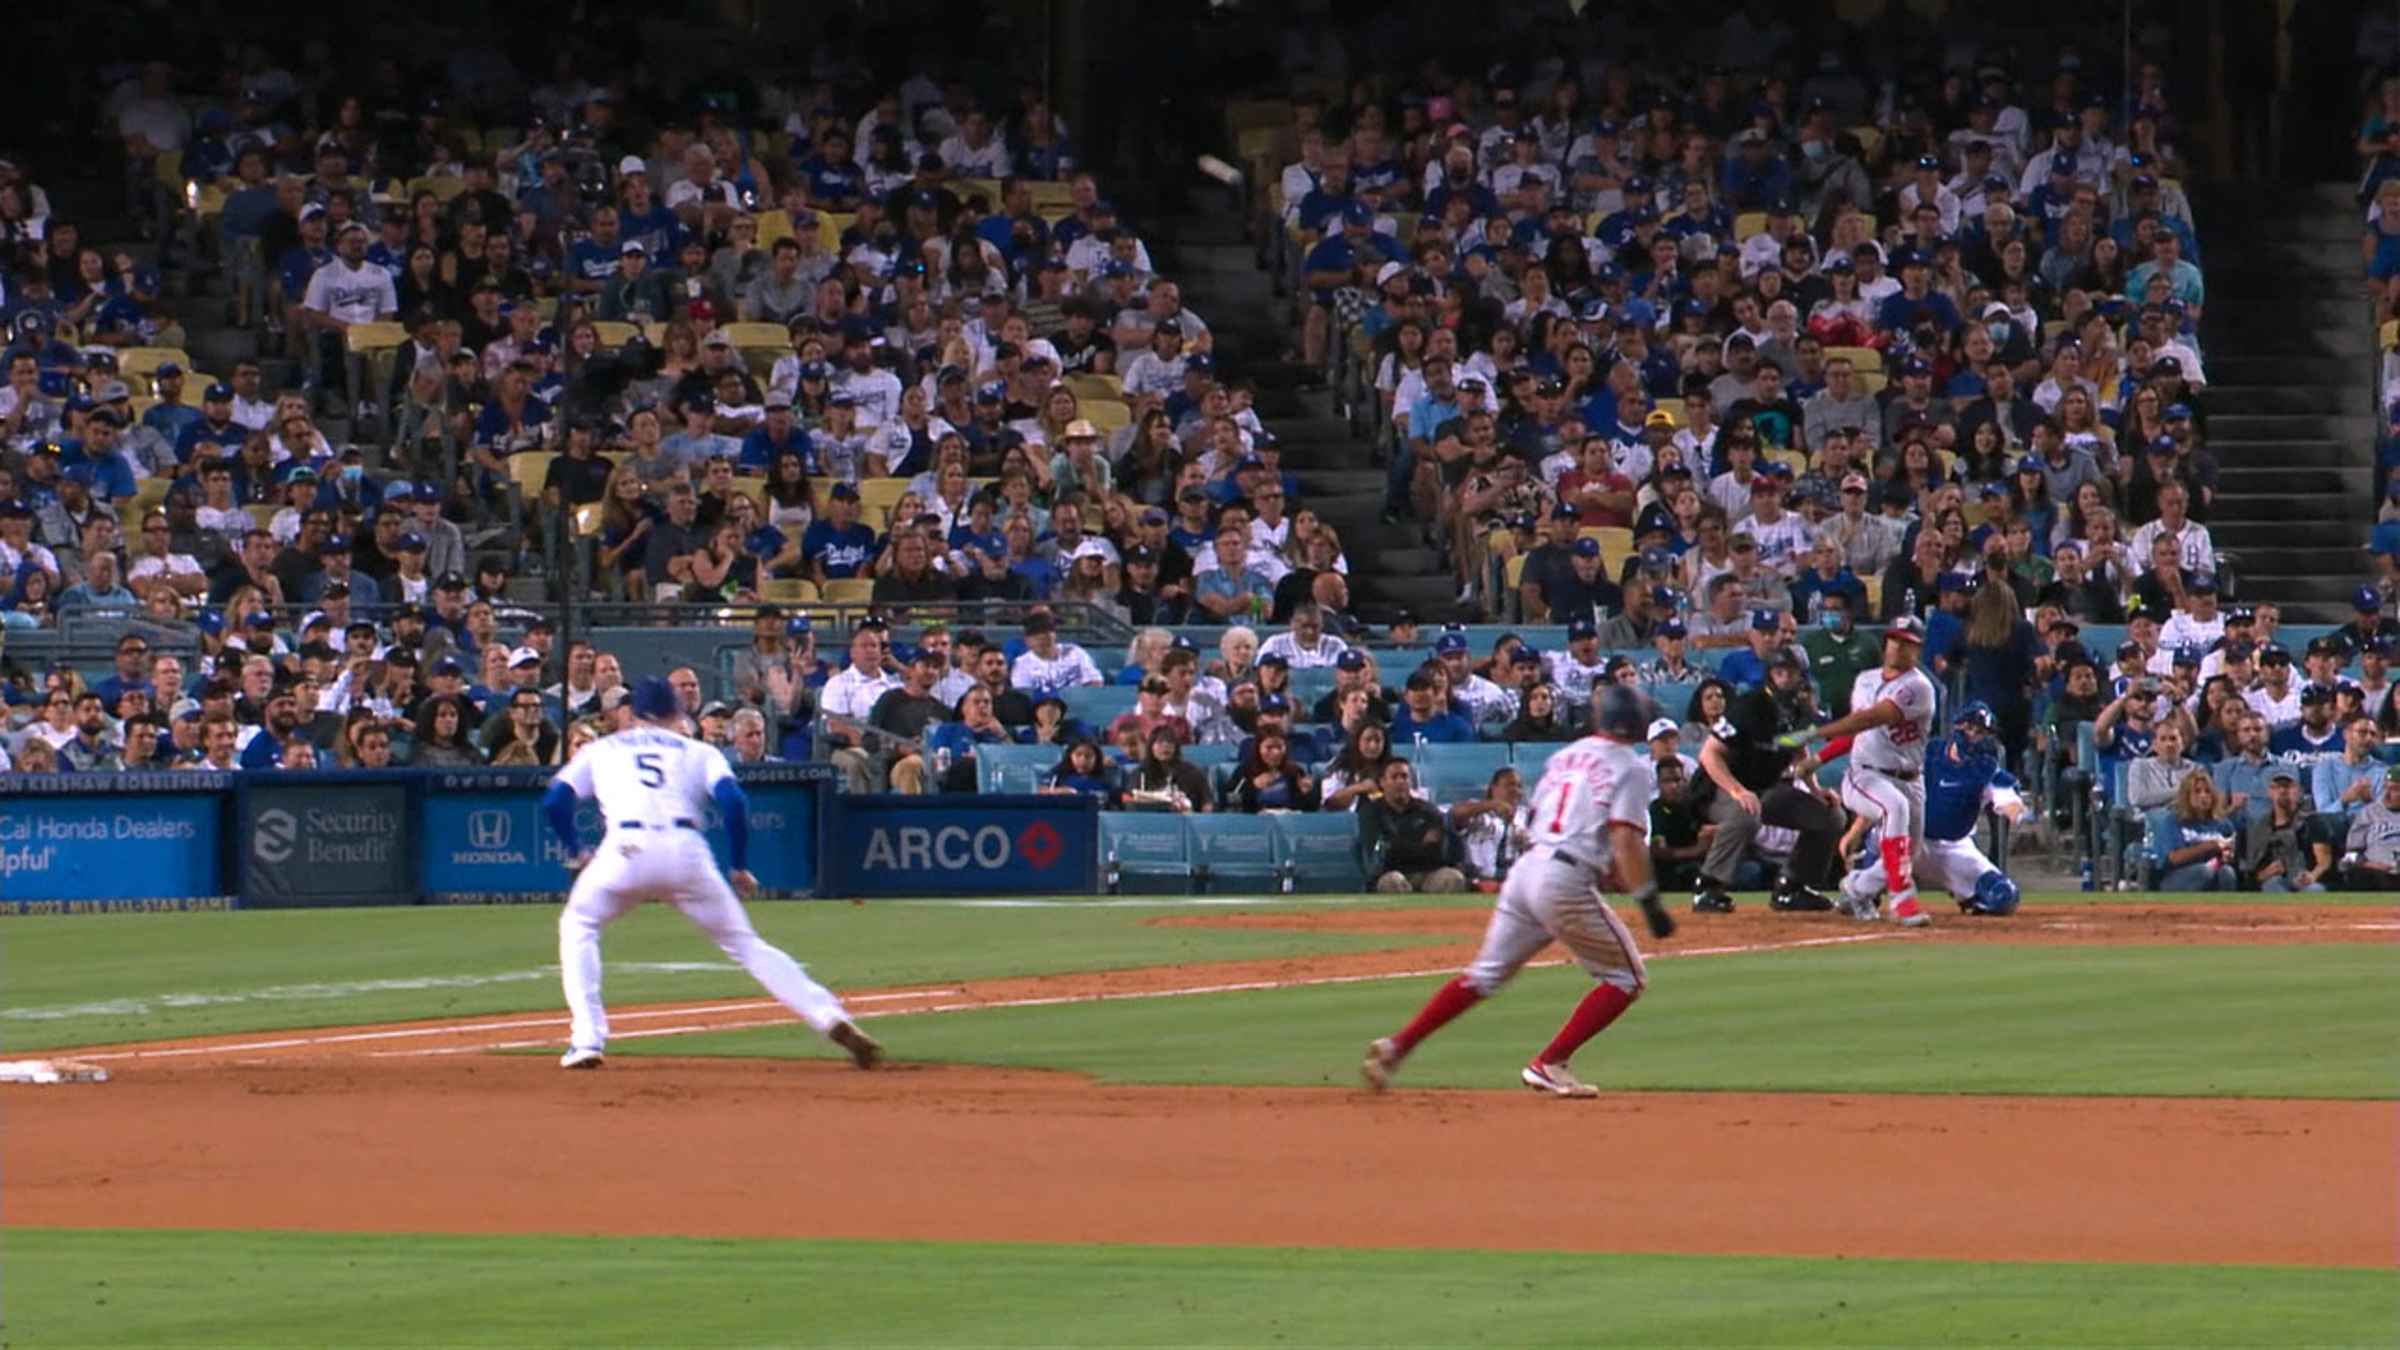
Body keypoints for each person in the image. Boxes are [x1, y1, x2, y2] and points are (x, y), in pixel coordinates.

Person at [542, 676, 883, 1071]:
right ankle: (831, 1018)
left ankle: (586, 1040)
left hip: (624, 849)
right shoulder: (697, 751)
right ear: (675, 712)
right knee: (746, 945)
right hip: (686, 851)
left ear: (633, 714)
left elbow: (555, 800)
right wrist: (738, 865)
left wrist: (575, 851)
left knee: (579, 924)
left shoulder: (602, 749)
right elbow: (734, 802)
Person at [1361, 685, 1676, 1098]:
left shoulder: (1567, 754)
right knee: (1626, 978)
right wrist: (1649, 900)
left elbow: (1539, 816)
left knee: (1483, 975)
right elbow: (1625, 840)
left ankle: (1397, 1046)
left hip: (1528, 869)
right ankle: (1551, 1062)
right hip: (1565, 877)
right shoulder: (1632, 768)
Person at [1783, 615, 1939, 926]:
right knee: (1894, 808)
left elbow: (1871, 719)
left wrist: (1816, 732)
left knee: (1914, 852)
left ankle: (1857, 888)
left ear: (1917, 650)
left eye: (1906, 643)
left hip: (1910, 777)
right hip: (1866, 773)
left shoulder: (1918, 687)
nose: (1897, 647)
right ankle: (1902, 902)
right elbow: (1858, 733)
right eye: (1894, 640)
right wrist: (1819, 759)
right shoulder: (1865, 680)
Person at [1689, 650, 1844, 913]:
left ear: (1801, 676)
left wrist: (1815, 789)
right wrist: (1737, 790)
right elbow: (1709, 753)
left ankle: (1792, 887)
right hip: (1719, 786)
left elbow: (1799, 750)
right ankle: (1708, 886)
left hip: (1767, 787)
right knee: (1747, 812)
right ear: (1770, 675)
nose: (1784, 679)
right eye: (1779, 672)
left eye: (1790, 673)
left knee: (1831, 815)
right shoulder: (1749, 706)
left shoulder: (1801, 710)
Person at [1906, 702, 2027, 916]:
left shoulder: (1985, 768)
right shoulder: (1928, 752)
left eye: (1983, 733)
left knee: (2004, 895)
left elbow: (2005, 795)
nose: (1979, 737)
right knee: (1881, 837)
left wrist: (2014, 808)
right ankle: (1859, 890)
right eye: (1974, 730)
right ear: (1959, 727)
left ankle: (1968, 896)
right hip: (1909, 838)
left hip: (1952, 846)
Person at [1357, 758, 1466, 894]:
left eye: (1404, 776)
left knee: (1453, 878)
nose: (1400, 781)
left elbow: (1438, 851)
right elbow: (1380, 852)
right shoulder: (1371, 812)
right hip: (1391, 873)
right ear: (1382, 782)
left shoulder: (1428, 810)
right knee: (1392, 882)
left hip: (1428, 873)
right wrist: (1420, 845)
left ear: (1411, 781)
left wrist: (1398, 845)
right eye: (1394, 777)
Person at [2242, 766, 2331, 893]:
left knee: (2314, 891)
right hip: (2275, 883)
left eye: (2288, 786)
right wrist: (2265, 874)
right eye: (2277, 786)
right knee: (2272, 884)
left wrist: (2312, 876)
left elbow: (2324, 861)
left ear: (2299, 791)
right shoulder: (2260, 827)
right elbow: (2251, 873)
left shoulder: (2313, 821)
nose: (2283, 790)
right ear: (2270, 792)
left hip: (2306, 881)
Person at [2148, 771, 2240, 892]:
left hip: (2213, 871)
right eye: (2197, 791)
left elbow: (2231, 854)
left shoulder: (2223, 824)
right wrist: (2210, 846)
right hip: (2177, 876)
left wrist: (2227, 855)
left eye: (2207, 792)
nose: (2203, 796)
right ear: (2187, 796)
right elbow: (2174, 858)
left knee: (2227, 873)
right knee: (2203, 871)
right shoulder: (2173, 821)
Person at [2338, 767, 2400, 891]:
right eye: (2386, 788)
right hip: (2376, 874)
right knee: (2358, 875)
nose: (2387, 795)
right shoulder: (2369, 812)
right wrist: (2371, 865)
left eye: (2395, 789)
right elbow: (2351, 854)